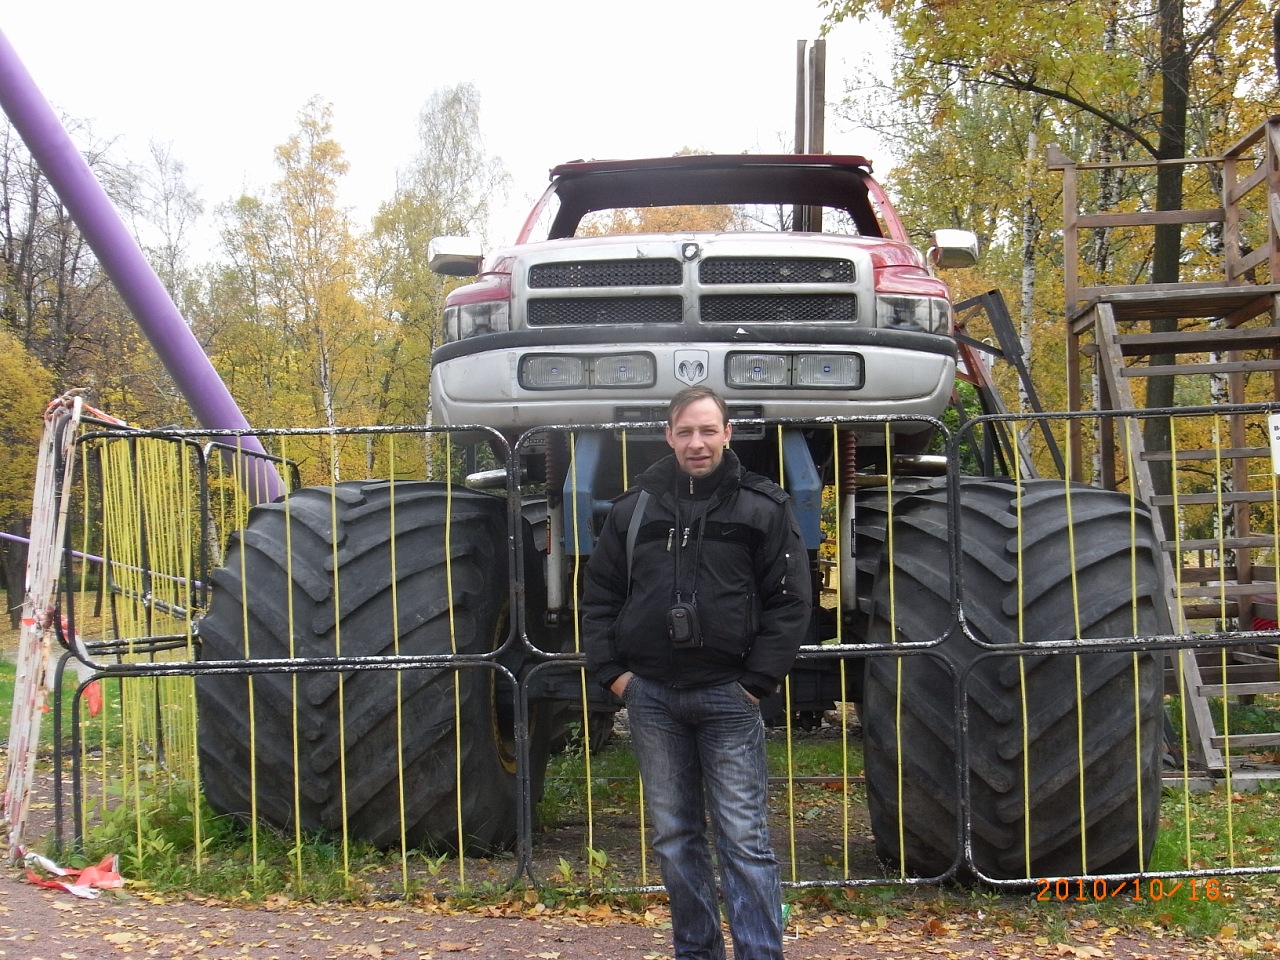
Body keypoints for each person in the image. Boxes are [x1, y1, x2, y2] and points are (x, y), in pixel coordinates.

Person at [582, 385, 812, 960]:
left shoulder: (763, 507)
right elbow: (600, 597)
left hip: (729, 698)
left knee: (744, 841)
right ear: (667, 436)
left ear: (728, 434)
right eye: (685, 431)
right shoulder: (633, 510)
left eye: (708, 430)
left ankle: (760, 953)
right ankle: (696, 951)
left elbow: (790, 603)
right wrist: (614, 675)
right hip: (652, 698)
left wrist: (756, 683)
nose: (697, 443)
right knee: (674, 839)